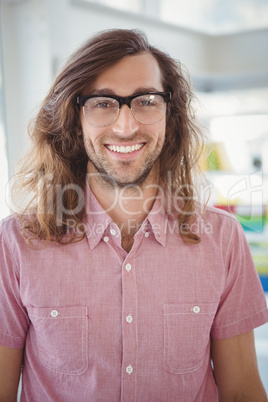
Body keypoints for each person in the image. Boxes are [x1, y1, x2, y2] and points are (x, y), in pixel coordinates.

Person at [0, 28, 267, 402]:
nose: (126, 126)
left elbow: (241, 392)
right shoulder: (15, 245)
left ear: (169, 115)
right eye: (103, 103)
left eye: (146, 100)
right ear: (74, 118)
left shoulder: (223, 239)